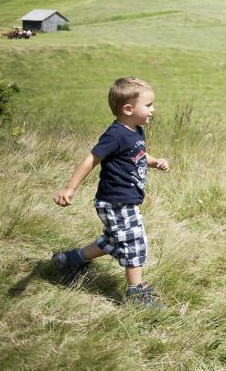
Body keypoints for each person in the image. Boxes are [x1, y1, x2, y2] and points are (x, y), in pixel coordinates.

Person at [52, 77, 170, 306]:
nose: (153, 110)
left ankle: (68, 260)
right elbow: (91, 160)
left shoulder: (134, 131)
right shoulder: (115, 134)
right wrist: (70, 188)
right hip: (117, 202)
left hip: (124, 201)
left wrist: (154, 162)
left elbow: (136, 154)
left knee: (112, 242)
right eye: (148, 105)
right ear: (128, 109)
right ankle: (136, 293)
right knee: (134, 242)